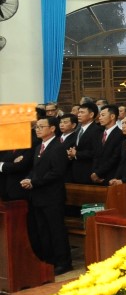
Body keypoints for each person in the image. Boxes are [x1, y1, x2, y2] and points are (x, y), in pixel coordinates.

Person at [22, 116, 71, 275]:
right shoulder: (39, 147)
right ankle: (49, 260)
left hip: (52, 196)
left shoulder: (58, 147)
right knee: (43, 230)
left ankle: (63, 262)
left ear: (52, 128)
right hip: (38, 195)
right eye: (36, 127)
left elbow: (57, 172)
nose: (37, 129)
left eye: (41, 126)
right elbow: (35, 169)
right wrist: (29, 178)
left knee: (56, 230)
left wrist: (34, 182)